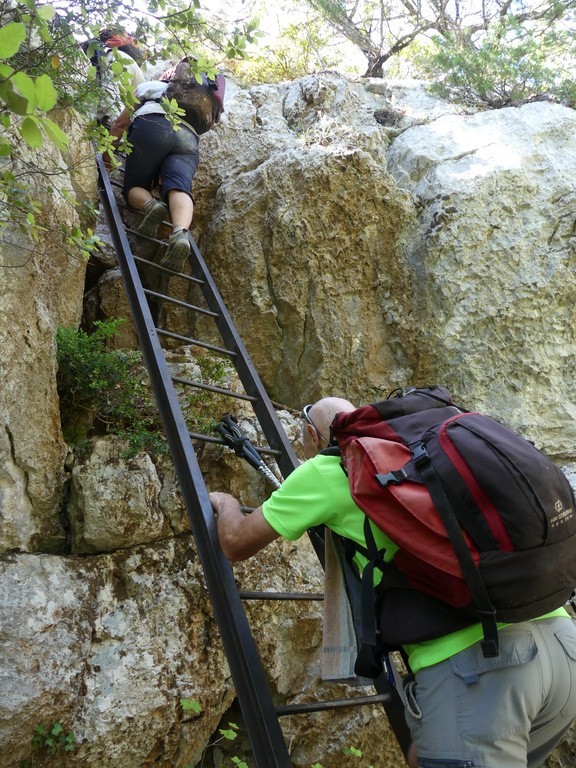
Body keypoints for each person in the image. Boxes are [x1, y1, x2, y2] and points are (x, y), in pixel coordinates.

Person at [209, 397, 576, 768]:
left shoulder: (327, 470)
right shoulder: (422, 455)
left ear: (310, 433)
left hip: (480, 668)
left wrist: (225, 503)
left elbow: (237, 543)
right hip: (561, 640)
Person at [109, 78, 199, 271]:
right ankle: (180, 233)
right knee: (179, 187)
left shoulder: (149, 86)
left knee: (134, 187)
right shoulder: (196, 100)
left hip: (153, 124)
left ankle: (150, 205)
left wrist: (107, 154)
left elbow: (120, 123)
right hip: (189, 137)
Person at [81, 29, 144, 129]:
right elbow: (110, 98)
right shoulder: (120, 58)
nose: (132, 40)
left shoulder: (106, 59)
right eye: (129, 38)